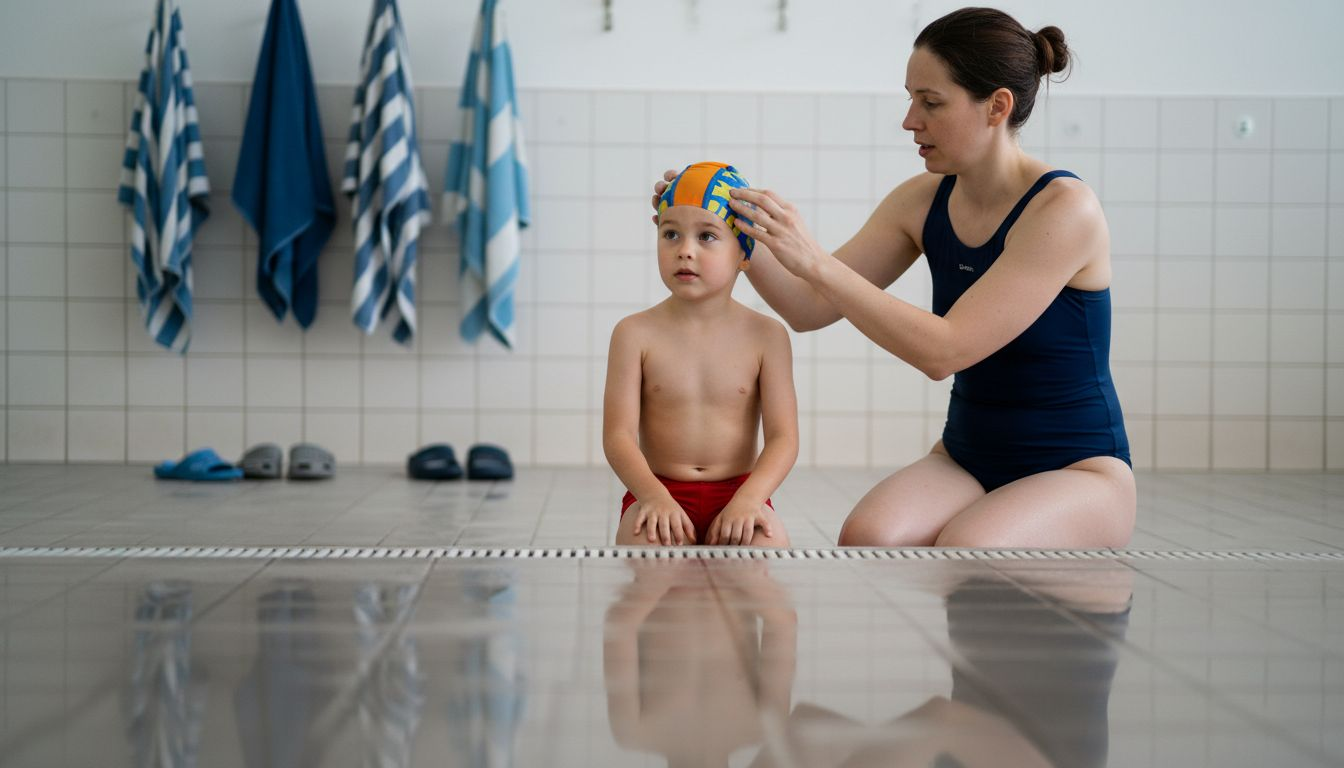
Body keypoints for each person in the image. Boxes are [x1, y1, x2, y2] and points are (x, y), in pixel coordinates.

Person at [656, 8, 1135, 549]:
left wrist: (814, 258)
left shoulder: (1064, 209)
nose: (910, 120)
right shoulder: (923, 200)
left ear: (997, 106)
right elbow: (808, 307)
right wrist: (736, 225)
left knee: (970, 547)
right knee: (869, 537)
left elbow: (945, 351)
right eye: (910, 99)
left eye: (930, 103)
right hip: (967, 459)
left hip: (1079, 470)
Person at [606, 161, 798, 547]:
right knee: (648, 580)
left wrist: (749, 500)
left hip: (741, 492)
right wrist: (653, 497)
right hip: (657, 489)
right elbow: (618, 435)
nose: (685, 251)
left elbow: (783, 438)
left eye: (707, 237)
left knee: (770, 577)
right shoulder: (634, 333)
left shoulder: (767, 336)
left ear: (744, 255)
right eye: (671, 234)